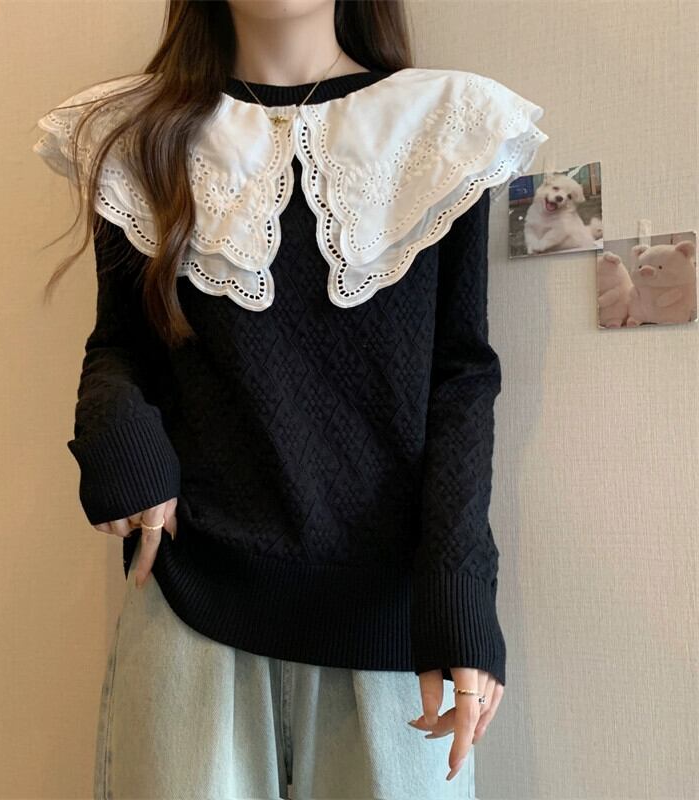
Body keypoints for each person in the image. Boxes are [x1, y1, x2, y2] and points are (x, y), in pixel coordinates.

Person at [32, 1, 547, 797]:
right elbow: (121, 347)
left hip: (393, 630)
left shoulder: (446, 124)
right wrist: (118, 436)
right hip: (189, 611)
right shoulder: (137, 133)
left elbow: (461, 379)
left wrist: (460, 591)